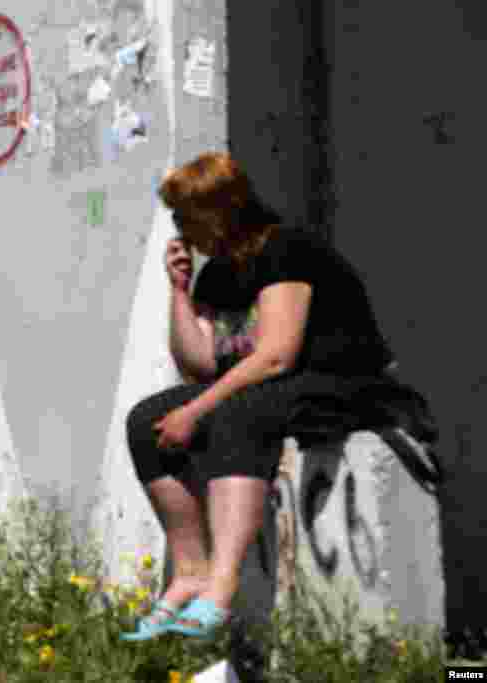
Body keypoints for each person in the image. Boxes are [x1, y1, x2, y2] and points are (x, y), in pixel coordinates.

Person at [120, 152, 436, 642]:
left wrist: (197, 410)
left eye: (184, 216)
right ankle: (191, 571)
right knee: (146, 419)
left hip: (341, 381)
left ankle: (221, 589)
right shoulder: (217, 274)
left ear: (216, 210)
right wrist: (179, 291)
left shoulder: (284, 250)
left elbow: (275, 357)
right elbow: (200, 364)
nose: (179, 228)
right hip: (274, 388)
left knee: (234, 411)